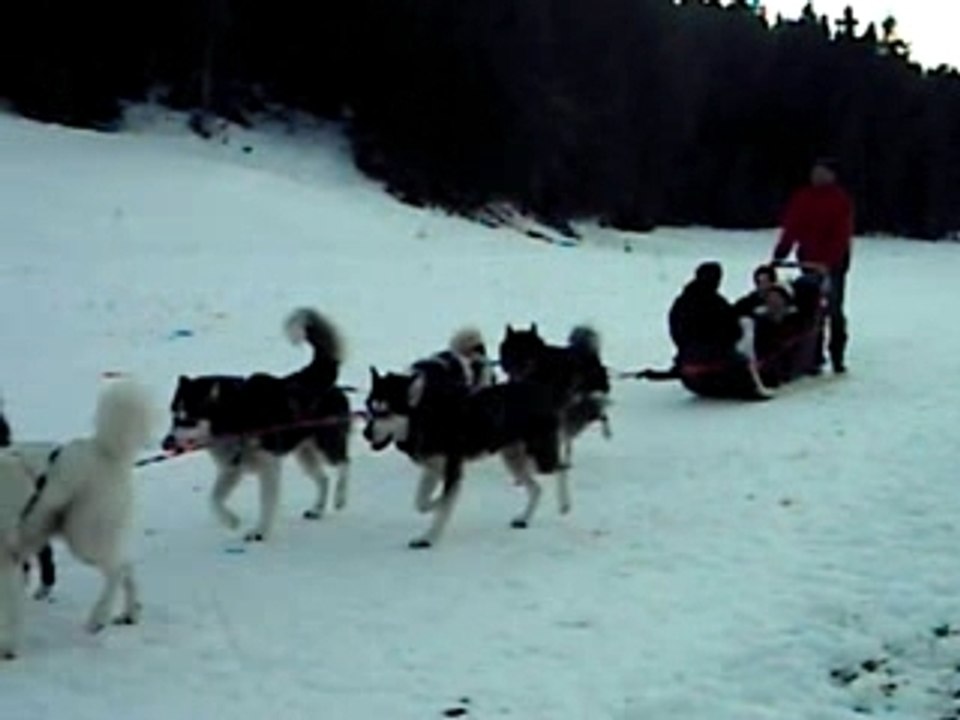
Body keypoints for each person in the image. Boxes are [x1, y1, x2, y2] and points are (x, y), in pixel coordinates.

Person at [772, 158, 854, 373]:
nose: (817, 176)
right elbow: (792, 226)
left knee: (832, 306)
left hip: (833, 262)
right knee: (809, 305)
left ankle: (837, 353)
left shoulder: (839, 200)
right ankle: (812, 355)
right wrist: (782, 251)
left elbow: (841, 234)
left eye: (822, 173)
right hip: (808, 258)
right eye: (815, 172)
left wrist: (831, 262)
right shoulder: (803, 197)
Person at [666, 261, 770, 400]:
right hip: (714, 371)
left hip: (688, 369)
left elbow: (677, 332)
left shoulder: (682, 302)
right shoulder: (713, 303)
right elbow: (731, 325)